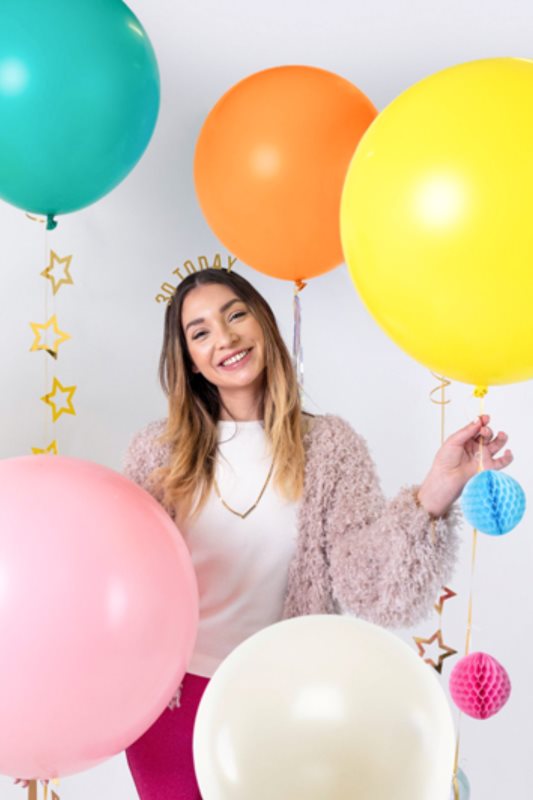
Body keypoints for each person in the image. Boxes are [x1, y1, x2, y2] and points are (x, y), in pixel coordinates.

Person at [124, 267, 512, 800]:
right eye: (201, 332)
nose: (226, 338)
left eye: (236, 315)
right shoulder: (156, 454)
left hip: (288, 702)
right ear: (189, 359)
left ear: (263, 323)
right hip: (173, 709)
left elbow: (370, 583)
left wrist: (434, 493)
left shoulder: (329, 446)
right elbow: (122, 583)